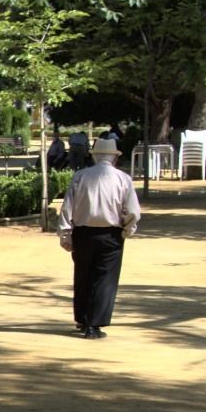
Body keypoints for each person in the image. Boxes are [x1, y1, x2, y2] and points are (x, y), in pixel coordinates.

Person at [57, 135, 141, 339]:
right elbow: (132, 212)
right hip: (111, 234)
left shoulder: (80, 176)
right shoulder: (123, 179)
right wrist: (127, 229)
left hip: (83, 233)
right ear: (113, 157)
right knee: (105, 279)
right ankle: (94, 324)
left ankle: (83, 318)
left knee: (83, 275)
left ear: (95, 157)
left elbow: (67, 207)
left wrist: (65, 234)